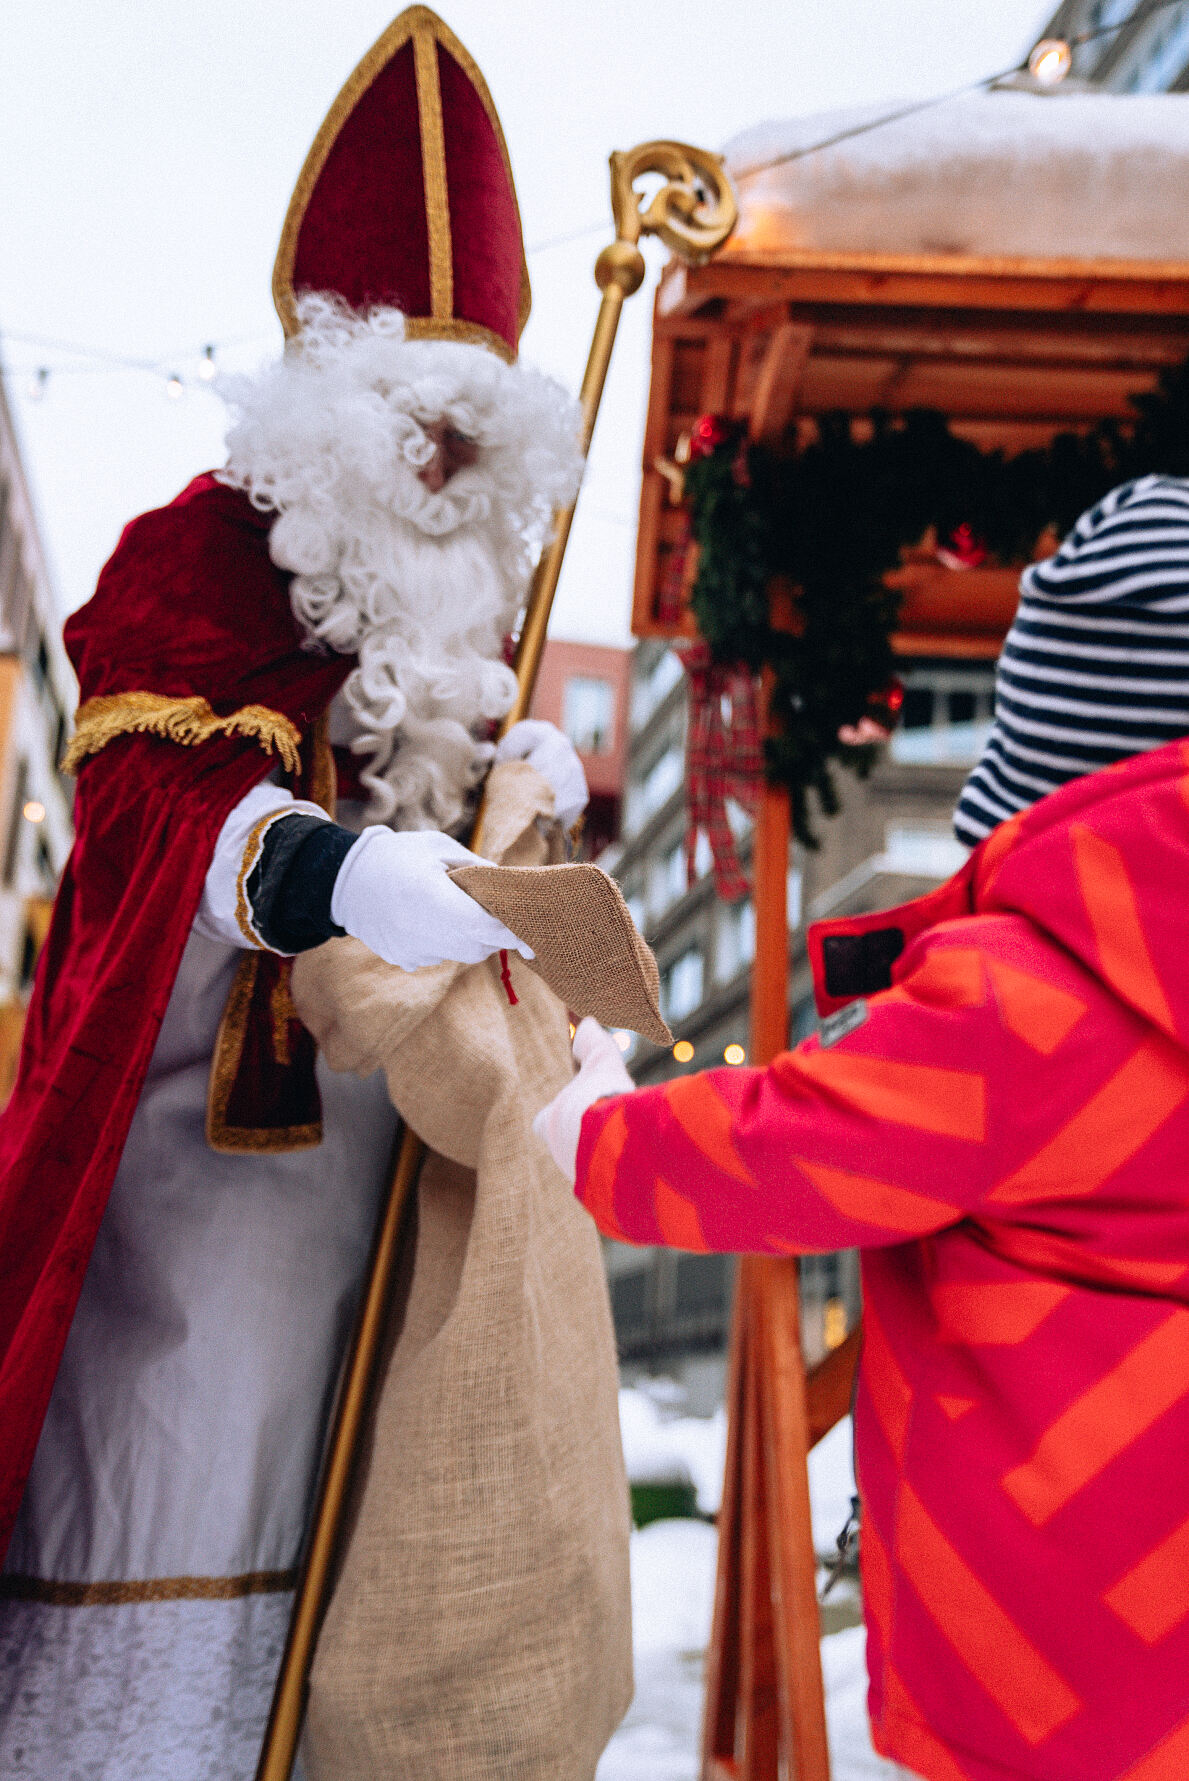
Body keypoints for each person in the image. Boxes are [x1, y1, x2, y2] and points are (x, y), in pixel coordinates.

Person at [0, 10, 588, 1776]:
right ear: (323, 402)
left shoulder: (460, 642)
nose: (434, 477)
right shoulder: (194, 554)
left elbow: (463, 914)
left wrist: (518, 825)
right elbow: (152, 798)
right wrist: (340, 867)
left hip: (371, 1248)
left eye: (470, 447)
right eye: (414, 424)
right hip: (181, 1234)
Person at [537, 473, 1189, 1781]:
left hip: (1058, 1667)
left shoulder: (1032, 999)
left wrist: (591, 1126)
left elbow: (781, 1145)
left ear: (1054, 769)